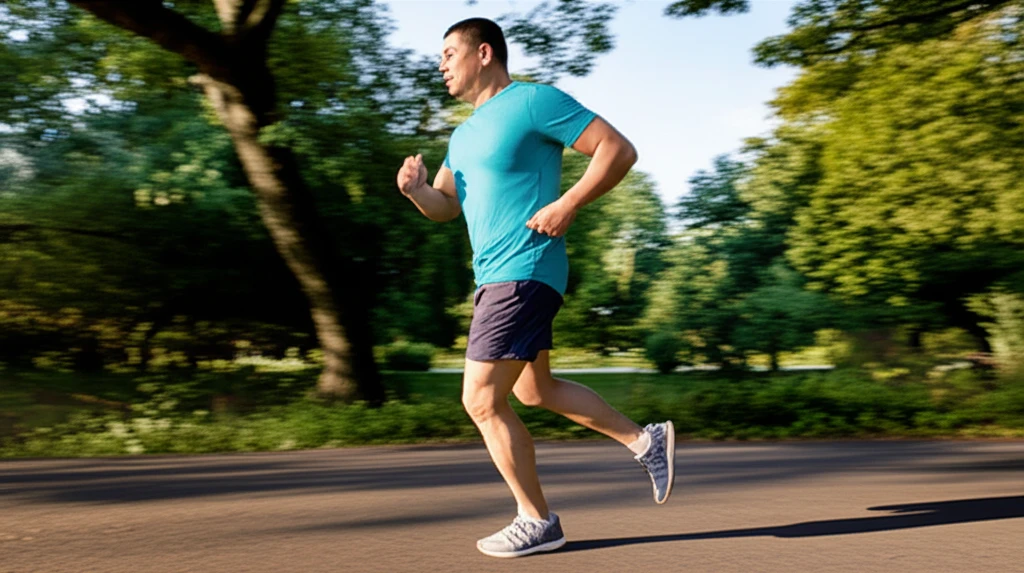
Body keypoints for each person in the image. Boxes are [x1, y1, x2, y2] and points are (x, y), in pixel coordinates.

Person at [395, 17, 676, 559]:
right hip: (494, 277)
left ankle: (537, 520)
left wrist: (568, 203)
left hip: (523, 270)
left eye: (449, 53)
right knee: (533, 390)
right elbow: (446, 206)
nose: (441, 64)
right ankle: (647, 441)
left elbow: (617, 149)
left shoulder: (532, 102)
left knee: (480, 399)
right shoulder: (462, 136)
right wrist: (415, 191)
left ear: (483, 53)